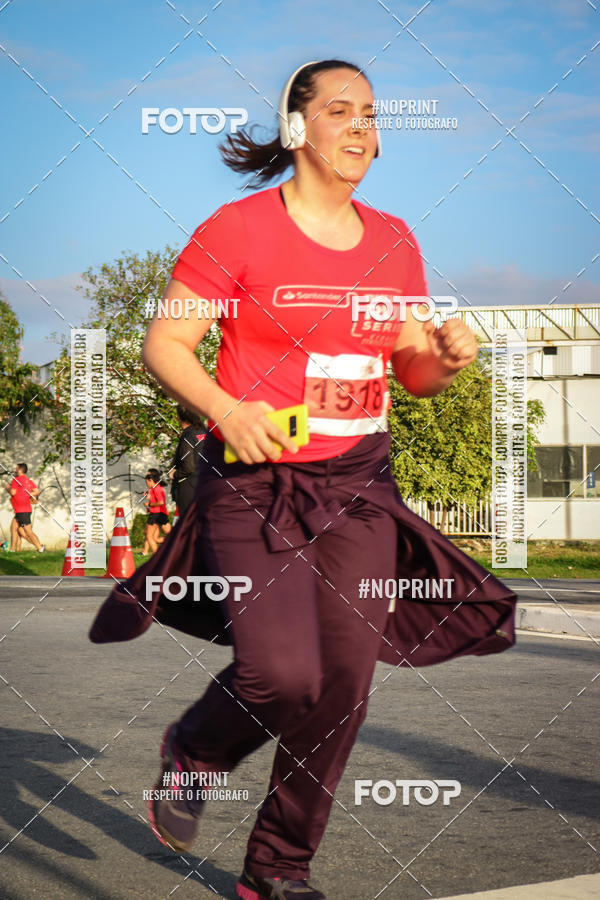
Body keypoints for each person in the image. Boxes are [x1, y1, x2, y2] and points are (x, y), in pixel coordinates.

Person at [91, 59, 517, 899]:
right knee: (282, 674)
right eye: (339, 110)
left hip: (359, 483)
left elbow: (410, 371)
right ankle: (198, 752)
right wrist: (226, 407)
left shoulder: (394, 239)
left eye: (370, 113)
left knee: (345, 684)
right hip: (256, 481)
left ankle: (277, 870)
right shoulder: (237, 229)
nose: (361, 127)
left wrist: (444, 358)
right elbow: (165, 346)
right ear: (297, 129)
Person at [168, 405, 207, 515]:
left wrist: (174, 474)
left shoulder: (188, 436)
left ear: (179, 418)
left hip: (189, 487)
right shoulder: (205, 432)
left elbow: (188, 467)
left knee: (190, 525)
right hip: (208, 484)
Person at [4, 463, 44, 552]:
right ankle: (12, 550)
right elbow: (37, 491)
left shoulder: (16, 480)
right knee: (13, 529)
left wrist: (7, 488)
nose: (15, 470)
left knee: (28, 532)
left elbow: (13, 492)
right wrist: (27, 494)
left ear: (20, 470)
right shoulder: (28, 480)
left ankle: (40, 548)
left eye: (16, 469)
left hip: (22, 511)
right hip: (21, 510)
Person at [143, 469, 171, 555]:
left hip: (156, 514)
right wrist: (149, 506)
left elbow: (161, 502)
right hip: (160, 513)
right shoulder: (155, 488)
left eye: (146, 482)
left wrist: (149, 505)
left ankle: (157, 558)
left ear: (151, 480)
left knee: (149, 536)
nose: (146, 484)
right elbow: (155, 500)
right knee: (155, 538)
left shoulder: (157, 488)